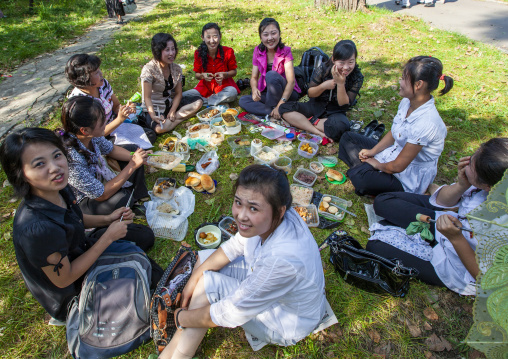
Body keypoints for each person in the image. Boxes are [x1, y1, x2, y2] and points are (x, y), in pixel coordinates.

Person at [159, 165, 336, 359]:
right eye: (238, 202)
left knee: (208, 284)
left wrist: (180, 317)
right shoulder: (274, 218)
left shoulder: (282, 260)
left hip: (285, 324)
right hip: (270, 284)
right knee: (203, 261)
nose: (241, 216)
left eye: (253, 208)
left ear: (280, 210)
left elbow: (230, 312)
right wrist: (192, 280)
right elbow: (233, 246)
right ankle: (178, 340)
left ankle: (177, 354)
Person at [0, 127, 162, 324]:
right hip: (72, 292)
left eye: (57, 156)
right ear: (21, 174)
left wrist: (109, 218)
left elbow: (76, 217)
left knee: (143, 236)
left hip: (81, 247)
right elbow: (64, 278)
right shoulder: (37, 228)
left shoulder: (59, 188)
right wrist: (107, 238)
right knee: (150, 277)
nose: (55, 167)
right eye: (40, 164)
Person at [367, 138, 508, 295]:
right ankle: (411, 232)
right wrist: (462, 185)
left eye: (472, 166)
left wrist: (456, 238)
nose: (467, 162)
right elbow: (442, 201)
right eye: (474, 155)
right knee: (383, 202)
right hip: (445, 224)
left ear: (489, 186)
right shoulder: (485, 188)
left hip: (455, 263)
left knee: (375, 246)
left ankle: (418, 239)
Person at [338, 55, 453, 196]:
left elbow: (398, 166)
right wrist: (372, 152)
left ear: (419, 85)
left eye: (404, 78)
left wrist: (375, 163)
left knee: (361, 178)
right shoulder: (407, 102)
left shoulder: (427, 123)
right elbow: (394, 132)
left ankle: (368, 174)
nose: (400, 82)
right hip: (393, 153)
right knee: (347, 138)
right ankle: (366, 171)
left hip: (407, 174)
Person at [60, 96, 150, 216]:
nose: (106, 123)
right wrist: (132, 165)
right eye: (102, 121)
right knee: (121, 198)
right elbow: (101, 195)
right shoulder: (72, 160)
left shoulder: (92, 136)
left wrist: (137, 157)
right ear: (84, 130)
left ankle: (137, 196)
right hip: (87, 200)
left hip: (100, 180)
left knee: (134, 150)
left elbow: (111, 149)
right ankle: (129, 201)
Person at [279, 40, 364, 142]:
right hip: (315, 105)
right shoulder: (323, 69)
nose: (346, 67)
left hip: (336, 111)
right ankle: (317, 131)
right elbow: (310, 93)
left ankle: (305, 122)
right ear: (333, 60)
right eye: (341, 62)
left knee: (340, 128)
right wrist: (323, 86)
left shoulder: (357, 77)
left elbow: (344, 104)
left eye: (351, 62)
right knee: (284, 108)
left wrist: (341, 84)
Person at [65, 53, 156, 148]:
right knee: (134, 147)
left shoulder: (102, 84)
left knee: (150, 134)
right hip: (101, 136)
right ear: (84, 80)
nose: (101, 74)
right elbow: (96, 134)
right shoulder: (80, 103)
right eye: (96, 73)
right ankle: (111, 155)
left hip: (116, 125)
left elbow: (116, 105)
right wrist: (120, 119)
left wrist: (125, 110)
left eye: (99, 69)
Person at [138, 33, 203, 134]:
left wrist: (172, 110)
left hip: (170, 104)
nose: (171, 53)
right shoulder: (149, 70)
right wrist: (152, 115)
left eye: (173, 49)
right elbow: (146, 97)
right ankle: (178, 119)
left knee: (199, 103)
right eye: (167, 50)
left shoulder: (176, 69)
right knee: (160, 129)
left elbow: (178, 93)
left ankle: (172, 120)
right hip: (154, 108)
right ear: (158, 51)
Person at [239, 18, 301, 119]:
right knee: (243, 100)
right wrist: (254, 89)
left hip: (286, 94)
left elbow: (291, 82)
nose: (270, 38)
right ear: (260, 37)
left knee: (271, 75)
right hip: (268, 92)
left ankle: (275, 109)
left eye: (273, 33)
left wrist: (280, 103)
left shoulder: (286, 52)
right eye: (265, 34)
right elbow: (254, 77)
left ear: (279, 34)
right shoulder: (258, 51)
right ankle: (274, 112)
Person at [182, 23, 240, 106]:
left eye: (215, 36)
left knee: (232, 92)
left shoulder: (228, 51)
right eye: (208, 37)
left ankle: (203, 102)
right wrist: (203, 76)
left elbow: (234, 72)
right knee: (183, 96)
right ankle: (217, 102)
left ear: (220, 36)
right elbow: (197, 75)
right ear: (203, 38)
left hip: (224, 88)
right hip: (204, 88)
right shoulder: (198, 53)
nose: (212, 41)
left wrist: (225, 74)